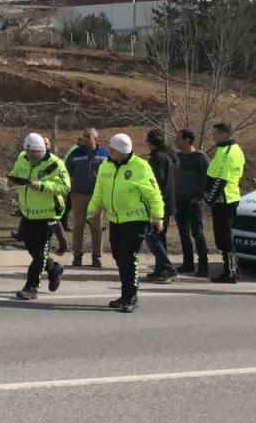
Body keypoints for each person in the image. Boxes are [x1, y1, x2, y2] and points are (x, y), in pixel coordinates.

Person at [87, 133, 165, 313]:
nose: (109, 150)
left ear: (121, 151)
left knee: (129, 257)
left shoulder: (141, 167)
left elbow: (153, 194)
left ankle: (131, 296)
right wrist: (91, 211)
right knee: (118, 256)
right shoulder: (106, 166)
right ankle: (124, 295)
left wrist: (157, 217)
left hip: (136, 220)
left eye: (112, 149)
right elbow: (99, 191)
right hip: (115, 219)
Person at [9, 132, 71, 300]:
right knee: (33, 248)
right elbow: (15, 172)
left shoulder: (55, 164)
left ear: (44, 149)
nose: (33, 156)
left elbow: (64, 187)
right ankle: (53, 268)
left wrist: (42, 186)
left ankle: (31, 286)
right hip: (28, 212)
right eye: (30, 153)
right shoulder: (22, 158)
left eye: (37, 153)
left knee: (40, 251)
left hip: (47, 213)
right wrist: (13, 180)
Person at [206, 122, 246, 283]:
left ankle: (231, 271)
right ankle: (233, 269)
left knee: (224, 238)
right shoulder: (227, 149)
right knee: (223, 237)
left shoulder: (228, 153)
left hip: (225, 199)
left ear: (224, 134)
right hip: (227, 198)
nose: (213, 136)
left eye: (215, 133)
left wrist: (210, 199)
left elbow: (220, 180)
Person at [64, 128, 108, 268]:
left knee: (96, 227)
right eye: (83, 136)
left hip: (96, 195)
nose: (85, 139)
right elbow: (68, 171)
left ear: (96, 139)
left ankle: (96, 256)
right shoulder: (75, 153)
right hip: (78, 194)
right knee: (78, 226)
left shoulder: (104, 154)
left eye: (88, 136)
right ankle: (77, 256)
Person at [173, 129, 211, 277]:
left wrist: (199, 196)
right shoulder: (178, 157)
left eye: (179, 139)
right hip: (180, 200)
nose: (176, 142)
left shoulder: (200, 158)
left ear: (188, 140)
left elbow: (206, 180)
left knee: (197, 233)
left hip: (195, 202)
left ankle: (203, 265)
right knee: (184, 233)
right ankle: (187, 263)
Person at [144, 129, 179, 283]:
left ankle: (167, 267)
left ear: (151, 142)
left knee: (151, 236)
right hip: (168, 201)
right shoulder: (168, 156)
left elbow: (155, 182)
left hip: (159, 203)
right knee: (159, 235)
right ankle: (160, 269)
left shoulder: (158, 158)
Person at [44, 136, 70, 254]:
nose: (44, 146)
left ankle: (63, 244)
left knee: (53, 221)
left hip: (52, 198)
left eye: (46, 144)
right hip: (38, 198)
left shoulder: (53, 161)